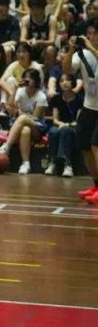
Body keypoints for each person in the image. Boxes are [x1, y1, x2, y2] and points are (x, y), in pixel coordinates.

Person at [65, 22, 98, 203]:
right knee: (84, 145)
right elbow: (67, 69)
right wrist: (71, 49)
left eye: (95, 34)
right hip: (89, 106)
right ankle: (96, 185)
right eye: (89, 33)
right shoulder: (82, 54)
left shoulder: (91, 51)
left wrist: (91, 48)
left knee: (96, 144)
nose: (91, 37)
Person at [0, 69, 49, 174]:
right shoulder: (20, 91)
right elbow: (10, 107)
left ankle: (7, 146)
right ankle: (26, 163)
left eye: (30, 77)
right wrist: (15, 89)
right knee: (25, 130)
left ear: (36, 80)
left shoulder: (41, 96)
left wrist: (20, 113)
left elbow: (35, 117)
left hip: (37, 128)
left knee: (23, 119)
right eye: (25, 77)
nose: (27, 79)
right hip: (21, 125)